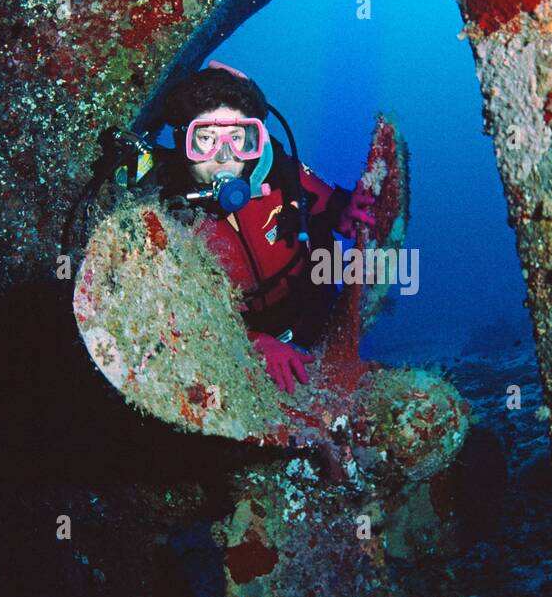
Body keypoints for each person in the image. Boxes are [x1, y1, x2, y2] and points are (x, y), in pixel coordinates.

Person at [141, 64, 376, 393]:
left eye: (237, 138)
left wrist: (345, 212)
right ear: (184, 142)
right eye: (206, 139)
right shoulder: (167, 212)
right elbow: (174, 312)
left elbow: (327, 204)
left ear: (255, 138)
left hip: (316, 318)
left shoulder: (279, 172)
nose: (224, 157)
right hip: (240, 352)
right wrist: (251, 343)